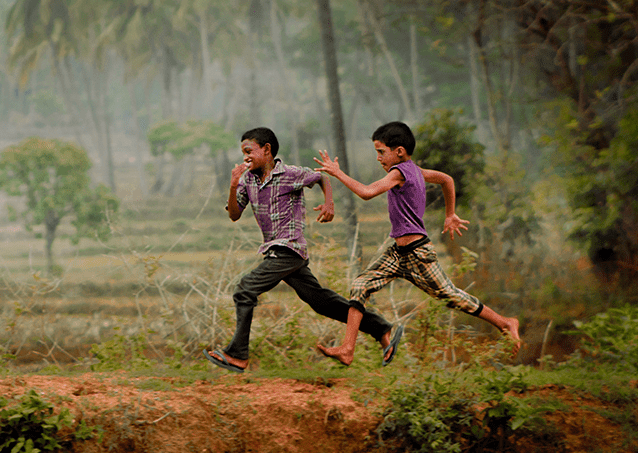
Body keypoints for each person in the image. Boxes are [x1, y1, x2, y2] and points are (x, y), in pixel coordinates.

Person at [313, 121, 521, 366]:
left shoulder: (400, 172)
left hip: (418, 253)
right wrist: (450, 213)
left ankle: (505, 323)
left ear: (399, 152)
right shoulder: (416, 171)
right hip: (397, 252)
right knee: (360, 285)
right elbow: (446, 179)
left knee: (451, 296)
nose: (379, 158)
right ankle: (347, 349)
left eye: (381, 152)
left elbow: (367, 192)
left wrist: (337, 173)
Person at [203, 127, 402, 373]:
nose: (246, 157)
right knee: (321, 302)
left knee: (245, 289)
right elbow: (234, 215)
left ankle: (237, 355)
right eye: (243, 152)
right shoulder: (247, 180)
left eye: (249, 151)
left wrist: (329, 203)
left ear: (266, 150)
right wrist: (233, 185)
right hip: (276, 252)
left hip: (289, 249)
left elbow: (320, 177)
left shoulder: (291, 174)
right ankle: (382, 329)